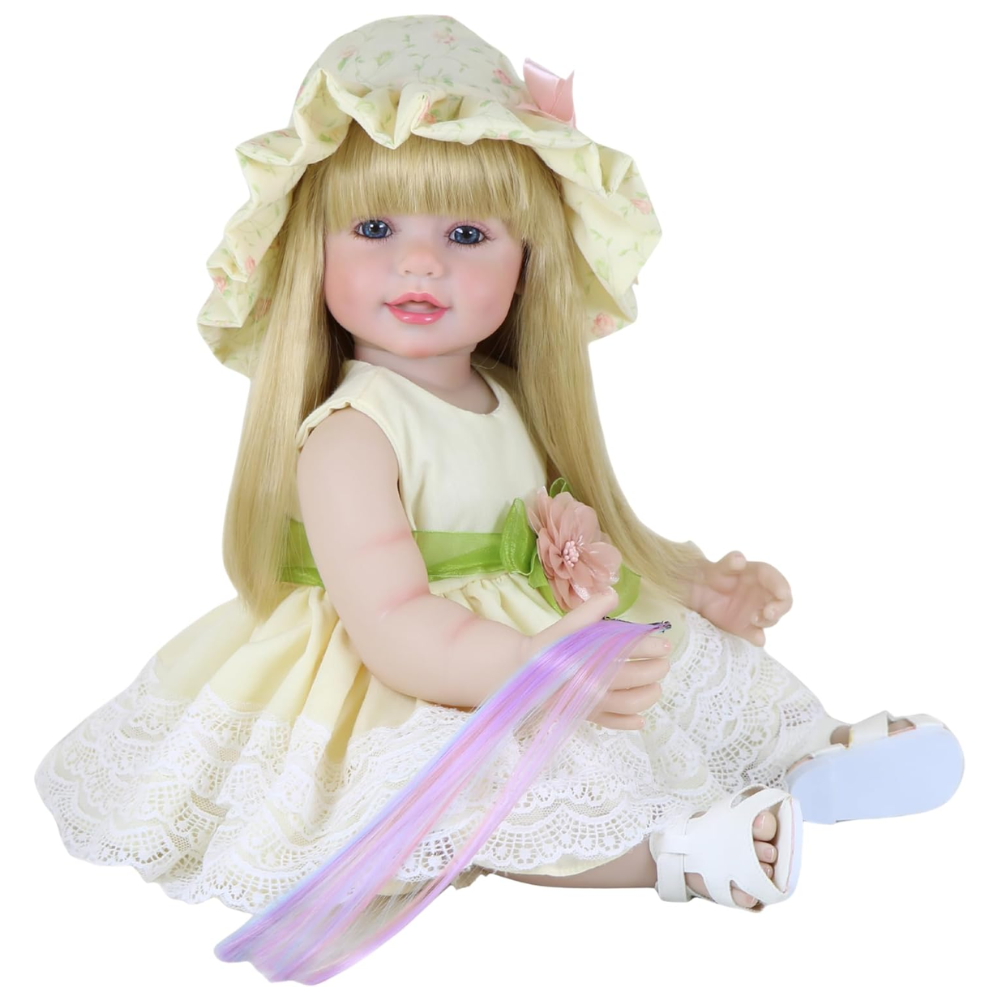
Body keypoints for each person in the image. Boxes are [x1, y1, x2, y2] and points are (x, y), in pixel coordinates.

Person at [34, 11, 963, 956]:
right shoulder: (351, 435)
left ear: (527, 264)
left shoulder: (508, 397)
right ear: (310, 251)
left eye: (468, 232)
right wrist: (534, 672)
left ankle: (805, 756)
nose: (420, 261)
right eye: (374, 227)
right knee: (502, 776)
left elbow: (581, 533)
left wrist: (691, 584)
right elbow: (394, 622)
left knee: (689, 660)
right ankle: (674, 852)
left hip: (534, 638)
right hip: (415, 669)